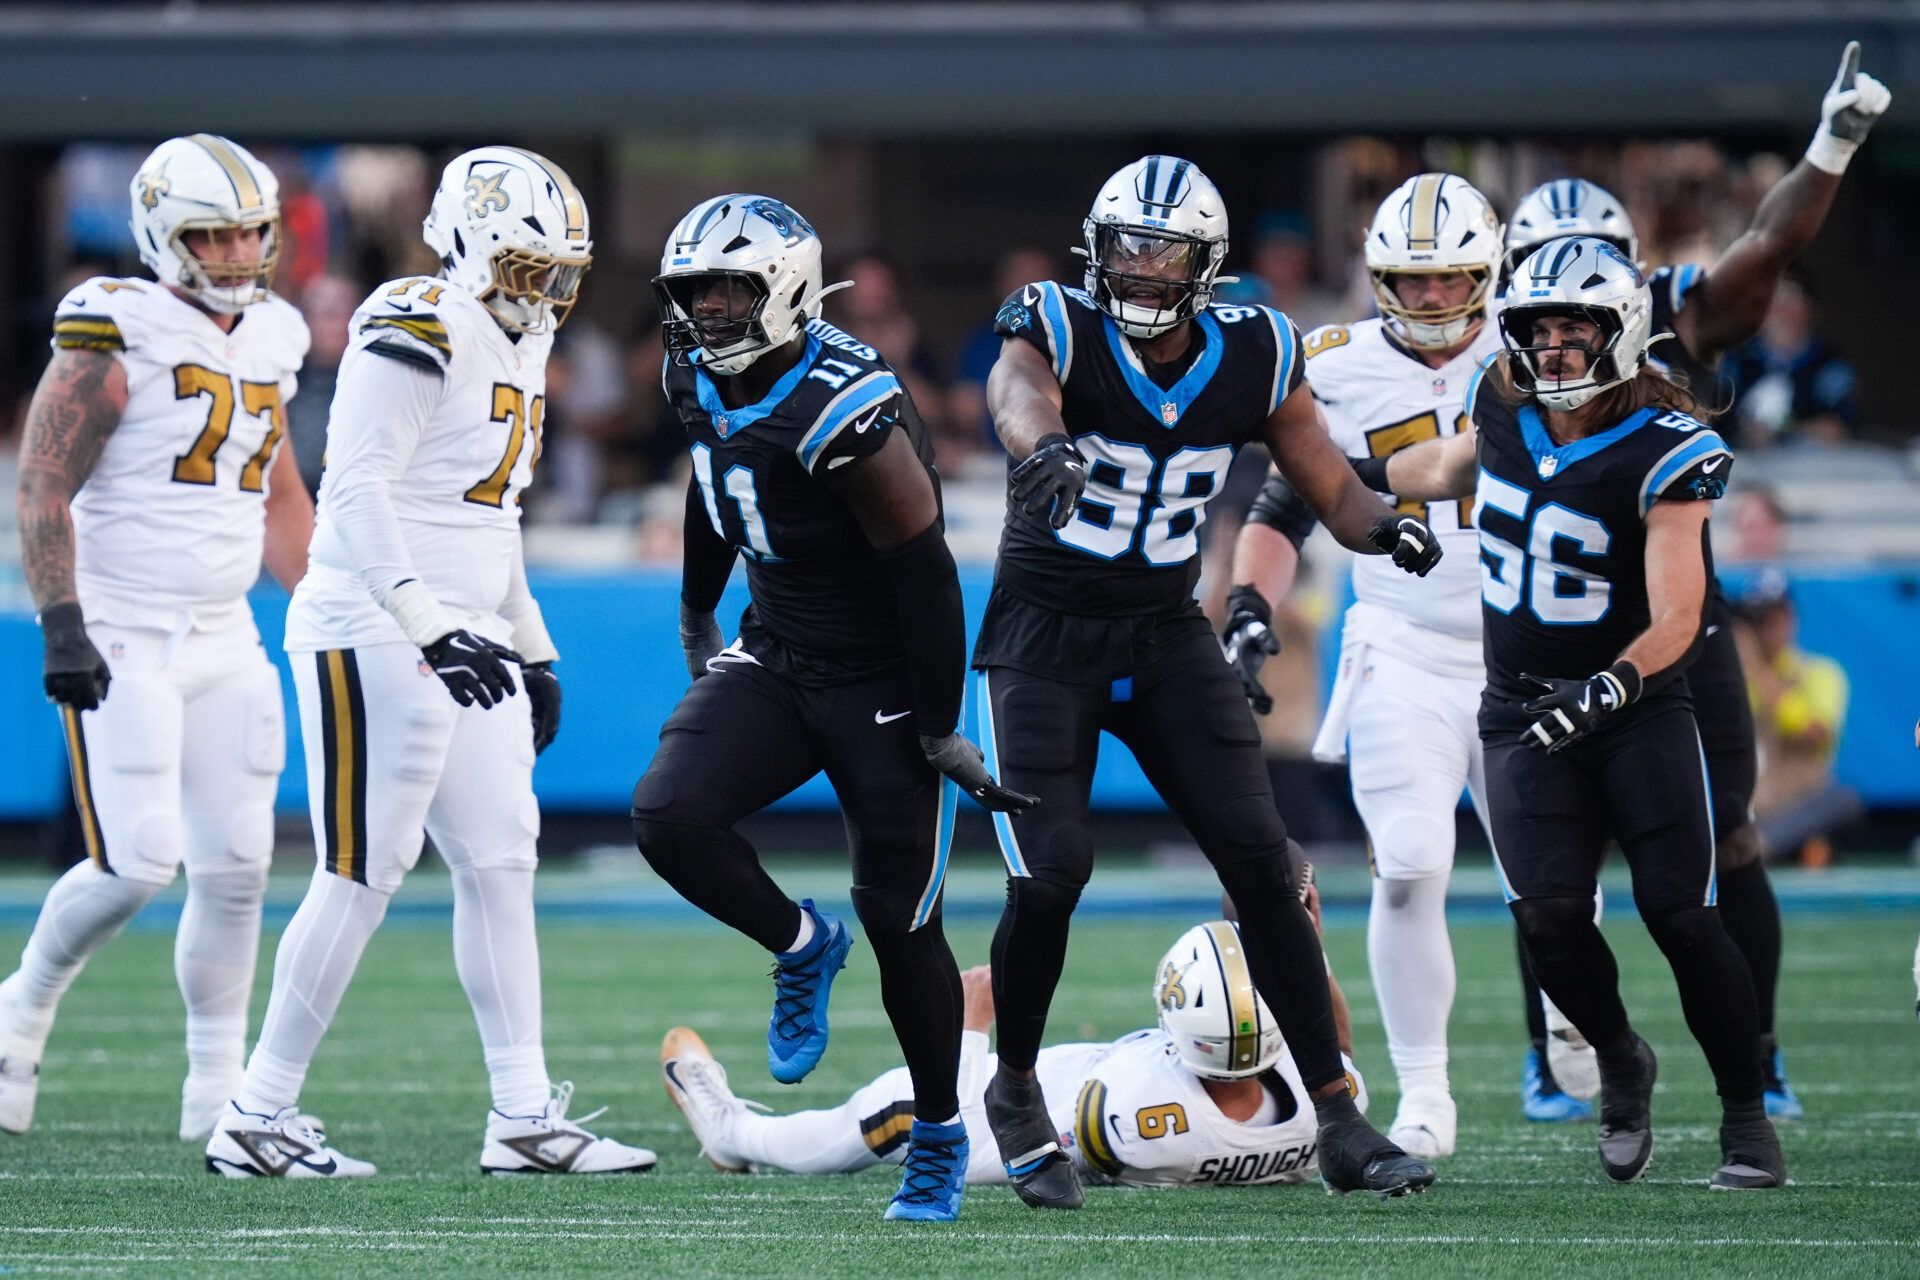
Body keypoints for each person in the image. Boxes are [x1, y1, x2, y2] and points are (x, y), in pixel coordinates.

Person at [973, 155, 1442, 1209]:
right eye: (1127, 249)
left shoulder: (1257, 349)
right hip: (1044, 639)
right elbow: (1017, 390)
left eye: (1165, 252)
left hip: (1163, 632)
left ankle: (1336, 1117)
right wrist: (1040, 446)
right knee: (1050, 873)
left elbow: (1328, 481)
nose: (1143, 269)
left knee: (1267, 867)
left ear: (1206, 266)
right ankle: (1014, 1088)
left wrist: (1388, 528)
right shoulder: (1056, 321)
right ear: (1096, 253)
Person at [206, 147, 652, 1179]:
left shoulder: (521, 340)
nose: (545, 290)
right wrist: (424, 622)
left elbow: (491, 515)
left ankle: (523, 1115)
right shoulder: (419, 318)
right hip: (373, 622)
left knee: (502, 857)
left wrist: (531, 642)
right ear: (469, 243)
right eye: (527, 265)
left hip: (467, 626)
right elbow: (354, 489)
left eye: (559, 271)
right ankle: (255, 1113)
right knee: (363, 866)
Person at [1491, 40, 1887, 1124]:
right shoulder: (1506, 354)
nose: (1565, 303)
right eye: (1543, 275)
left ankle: (1754, 1058)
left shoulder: (1669, 313)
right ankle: (1557, 1054)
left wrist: (1830, 145)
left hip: (1676, 631)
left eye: (1591, 271)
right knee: (1548, 875)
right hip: (1543, 635)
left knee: (1729, 840)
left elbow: (1768, 246)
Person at [631, 194, 1034, 1223]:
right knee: (668, 815)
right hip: (777, 647)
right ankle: (800, 941)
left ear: (788, 290)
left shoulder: (844, 409)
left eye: (729, 290)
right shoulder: (692, 370)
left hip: (883, 679)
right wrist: (696, 607)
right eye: (694, 292)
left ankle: (938, 1137)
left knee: (902, 920)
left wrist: (938, 723)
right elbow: (713, 476)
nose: (707, 310)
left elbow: (927, 573)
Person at [1376, 235, 1786, 1190]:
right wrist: (1334, 472)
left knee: (1683, 917)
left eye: (1576, 328)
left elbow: (1680, 613)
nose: (1553, 347)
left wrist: (1609, 687)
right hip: (1521, 711)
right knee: (1549, 919)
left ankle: (1745, 1116)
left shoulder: (1667, 447)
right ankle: (1619, 1060)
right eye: (1539, 329)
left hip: (1633, 710)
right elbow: (1448, 467)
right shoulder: (1504, 400)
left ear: (1626, 332)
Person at [0, 135, 314, 1142]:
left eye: (250, 232)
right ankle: (20, 1006)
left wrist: (335, 611)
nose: (237, 252)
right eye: (213, 234)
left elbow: (278, 493)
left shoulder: (276, 336)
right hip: (122, 626)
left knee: (238, 865)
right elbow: (44, 481)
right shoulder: (115, 325)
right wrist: (62, 620)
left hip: (225, 630)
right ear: (161, 235)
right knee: (137, 861)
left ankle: (217, 1094)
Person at [1223, 173, 1504, 1159]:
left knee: (1556, 891)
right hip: (1402, 640)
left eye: (1451, 277)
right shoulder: (1333, 361)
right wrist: (1249, 603)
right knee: (1412, 859)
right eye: (1410, 279)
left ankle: (1577, 1042)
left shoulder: (1539, 346)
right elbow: (1282, 505)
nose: (1431, 296)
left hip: (1531, 652)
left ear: (1487, 272)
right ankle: (1425, 1089)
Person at [661, 905, 1373, 1190]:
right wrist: (1306, 954)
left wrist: (970, 1030)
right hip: (1077, 1089)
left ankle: (733, 1132)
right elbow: (1332, 1051)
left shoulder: (1130, 1112)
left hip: (1018, 1103)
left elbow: (978, 1153)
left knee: (889, 1113)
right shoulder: (1331, 1107)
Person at [1734, 573, 1857, 864]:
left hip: (1799, 802)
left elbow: (1816, 734)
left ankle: (1761, 846)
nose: (1764, 628)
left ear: (1788, 619)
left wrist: (1758, 670)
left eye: (1771, 618)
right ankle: (1777, 846)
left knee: (1843, 800)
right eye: (1756, 620)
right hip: (1748, 804)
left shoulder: (1821, 673)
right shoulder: (1734, 678)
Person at [1723, 272, 1860, 447]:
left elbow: (1841, 427)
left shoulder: (1831, 367)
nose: (1781, 311)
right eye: (1773, 300)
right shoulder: (1733, 363)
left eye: (1793, 300)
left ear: (1812, 309)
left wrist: (1784, 431)